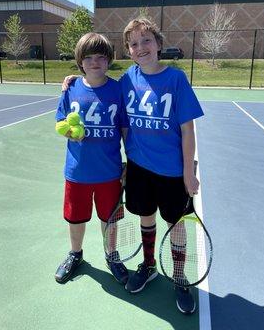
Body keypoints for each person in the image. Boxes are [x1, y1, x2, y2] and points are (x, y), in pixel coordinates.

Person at [62, 18, 204, 315]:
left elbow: (188, 129)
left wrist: (189, 172)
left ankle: (180, 278)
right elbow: (104, 98)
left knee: (176, 224)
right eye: (134, 43)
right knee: (146, 217)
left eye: (147, 40)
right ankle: (149, 264)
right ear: (128, 50)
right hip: (139, 169)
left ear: (159, 44)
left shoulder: (176, 79)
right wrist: (70, 81)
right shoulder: (128, 79)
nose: (141, 48)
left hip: (173, 171)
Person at [55, 32, 129, 286]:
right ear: (80, 61)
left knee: (109, 219)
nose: (94, 62)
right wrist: (68, 132)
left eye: (100, 57)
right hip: (77, 172)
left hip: (109, 172)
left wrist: (128, 162)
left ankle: (112, 255)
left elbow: (125, 130)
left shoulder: (118, 90)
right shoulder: (71, 88)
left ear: (109, 60)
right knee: (75, 218)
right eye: (88, 58)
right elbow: (60, 122)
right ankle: (75, 254)